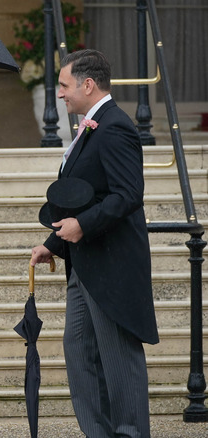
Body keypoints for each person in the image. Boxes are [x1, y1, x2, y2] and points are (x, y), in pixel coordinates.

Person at [30, 49, 158, 437]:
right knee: (80, 354)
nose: (60, 95)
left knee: (119, 362)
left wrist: (82, 226)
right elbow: (88, 195)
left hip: (111, 268)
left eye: (65, 86)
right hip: (85, 266)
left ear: (88, 84)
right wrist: (54, 242)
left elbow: (127, 194)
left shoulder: (115, 125)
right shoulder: (91, 125)